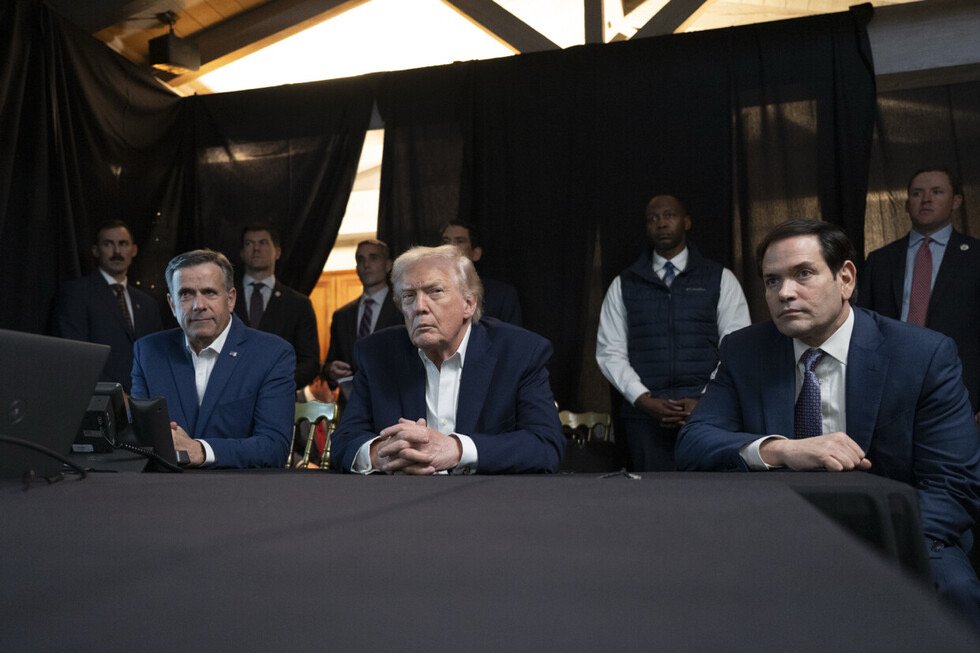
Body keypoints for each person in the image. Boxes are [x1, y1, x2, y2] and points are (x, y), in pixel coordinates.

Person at [676, 218, 980, 622]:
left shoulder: (922, 356)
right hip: (774, 533)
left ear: (846, 278)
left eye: (803, 274)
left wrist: (851, 546)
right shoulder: (743, 351)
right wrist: (780, 449)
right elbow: (694, 442)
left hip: (902, 532)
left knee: (955, 591)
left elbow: (954, 488)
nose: (785, 293)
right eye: (771, 281)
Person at [331, 245, 565, 474]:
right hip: (401, 500)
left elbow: (545, 445)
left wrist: (457, 449)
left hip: (489, 503)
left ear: (469, 304)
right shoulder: (376, 354)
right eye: (408, 296)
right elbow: (345, 442)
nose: (419, 307)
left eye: (435, 291)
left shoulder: (519, 352)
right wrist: (383, 454)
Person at [596, 195, 750, 471]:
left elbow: (736, 346)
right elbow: (610, 352)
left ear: (686, 222)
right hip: (644, 417)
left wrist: (704, 400)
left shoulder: (719, 278)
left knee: (711, 500)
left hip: (708, 413)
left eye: (669, 215)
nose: (661, 223)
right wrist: (644, 400)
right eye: (653, 218)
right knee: (653, 505)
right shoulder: (624, 284)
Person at [131, 249, 295, 468]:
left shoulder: (272, 354)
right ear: (172, 304)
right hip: (164, 492)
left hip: (240, 493)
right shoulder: (148, 352)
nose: (199, 305)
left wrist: (200, 450)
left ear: (230, 299)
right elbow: (138, 438)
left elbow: (274, 447)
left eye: (209, 292)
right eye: (186, 294)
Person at [859, 168, 980, 423]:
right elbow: (862, 326)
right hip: (889, 386)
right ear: (906, 204)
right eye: (917, 193)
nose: (926, 199)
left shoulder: (976, 257)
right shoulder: (880, 260)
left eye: (937, 192)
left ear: (956, 201)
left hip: (961, 387)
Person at [53, 220, 163, 392]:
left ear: (134, 250)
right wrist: (115, 395)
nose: (117, 252)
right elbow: (75, 354)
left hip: (143, 402)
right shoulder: (76, 293)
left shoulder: (148, 303)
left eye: (123, 244)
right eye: (108, 244)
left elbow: (156, 356)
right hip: (96, 399)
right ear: (96, 250)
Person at [233, 225, 320, 389]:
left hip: (279, 400)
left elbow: (310, 362)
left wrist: (278, 385)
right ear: (242, 253)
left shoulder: (298, 304)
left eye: (263, 243)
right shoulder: (223, 300)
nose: (256, 248)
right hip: (229, 399)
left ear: (278, 252)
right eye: (249, 243)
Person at [323, 239, 403, 392]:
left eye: (373, 257)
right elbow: (330, 363)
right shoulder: (342, 315)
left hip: (392, 399)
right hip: (351, 403)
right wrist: (330, 371)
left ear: (388, 265)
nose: (366, 265)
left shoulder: (403, 308)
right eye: (360, 259)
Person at [441, 221, 522, 325]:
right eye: (445, 241)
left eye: (460, 241)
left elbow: (513, 338)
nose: (450, 247)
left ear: (476, 254)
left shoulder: (502, 295)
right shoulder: (428, 291)